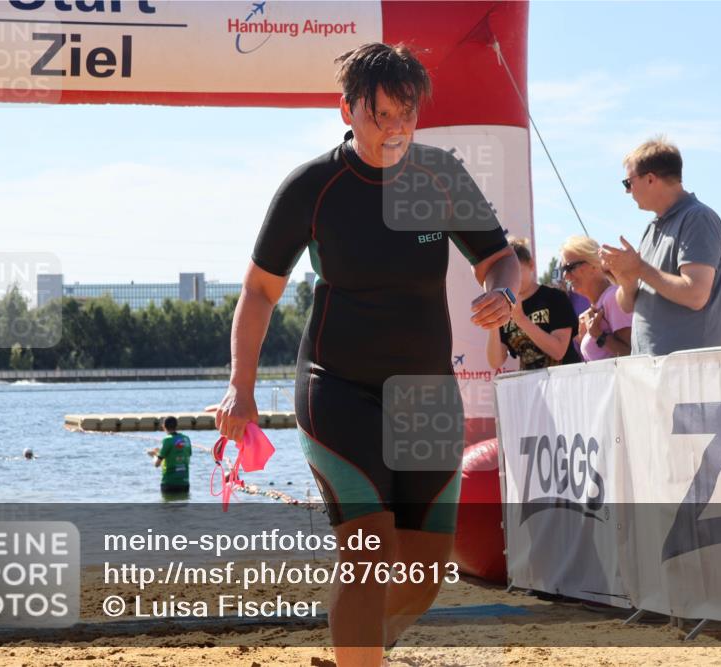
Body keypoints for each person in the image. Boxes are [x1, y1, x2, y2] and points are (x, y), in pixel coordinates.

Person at [213, 42, 519, 666]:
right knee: (367, 552)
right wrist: (241, 388)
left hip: (427, 396)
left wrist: (504, 291)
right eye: (381, 115)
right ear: (347, 110)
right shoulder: (313, 187)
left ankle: (357, 651)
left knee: (424, 576)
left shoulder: (439, 176)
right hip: (338, 388)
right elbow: (259, 290)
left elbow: (497, 257)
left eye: (407, 114)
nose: (396, 128)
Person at [599, 137, 721, 356]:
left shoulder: (698, 218)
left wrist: (639, 268)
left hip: (689, 368)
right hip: (654, 368)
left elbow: (696, 295)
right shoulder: (652, 228)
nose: (627, 191)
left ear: (650, 179)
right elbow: (627, 305)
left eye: (628, 182)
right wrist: (626, 278)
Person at [487, 237, 579, 371]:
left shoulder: (555, 298)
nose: (511, 280)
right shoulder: (505, 308)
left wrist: (521, 319)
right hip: (531, 383)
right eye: (505, 276)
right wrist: (493, 320)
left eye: (516, 272)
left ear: (531, 265)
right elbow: (495, 362)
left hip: (565, 380)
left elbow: (558, 351)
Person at [560, 235, 632, 360]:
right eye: (563, 269)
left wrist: (599, 336)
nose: (565, 276)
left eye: (570, 267)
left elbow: (633, 355)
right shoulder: (599, 305)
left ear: (593, 265)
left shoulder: (612, 298)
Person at [150, 416, 191, 494]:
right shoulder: (186, 439)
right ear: (177, 426)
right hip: (184, 483)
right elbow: (185, 457)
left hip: (169, 483)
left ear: (164, 426)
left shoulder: (167, 440)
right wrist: (160, 452)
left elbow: (157, 464)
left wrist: (154, 455)